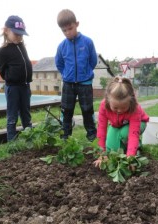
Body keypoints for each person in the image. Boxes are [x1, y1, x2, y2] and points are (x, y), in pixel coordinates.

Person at [55, 9, 97, 141]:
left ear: (77, 24)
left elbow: (93, 61)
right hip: (68, 84)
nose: (68, 32)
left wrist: (85, 73)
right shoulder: (61, 46)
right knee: (66, 110)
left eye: (70, 28)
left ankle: (91, 134)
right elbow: (59, 63)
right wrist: (67, 74)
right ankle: (66, 135)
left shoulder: (88, 42)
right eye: (64, 30)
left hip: (85, 83)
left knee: (87, 109)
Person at [94, 76, 149, 166]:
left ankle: (135, 147)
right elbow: (101, 131)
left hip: (139, 123)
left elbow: (133, 134)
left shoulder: (135, 108)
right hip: (117, 124)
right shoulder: (104, 106)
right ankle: (126, 147)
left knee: (124, 134)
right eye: (115, 108)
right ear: (108, 101)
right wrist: (102, 155)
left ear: (130, 102)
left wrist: (130, 157)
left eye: (123, 108)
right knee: (111, 150)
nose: (119, 110)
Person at [0, 15, 33, 141]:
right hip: (13, 88)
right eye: (16, 33)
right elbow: (2, 71)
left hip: (25, 86)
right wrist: (12, 77)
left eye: (21, 34)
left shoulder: (22, 46)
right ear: (7, 31)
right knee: (12, 115)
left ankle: (30, 139)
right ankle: (12, 142)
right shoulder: (2, 51)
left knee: (26, 114)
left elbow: (25, 63)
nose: (19, 36)